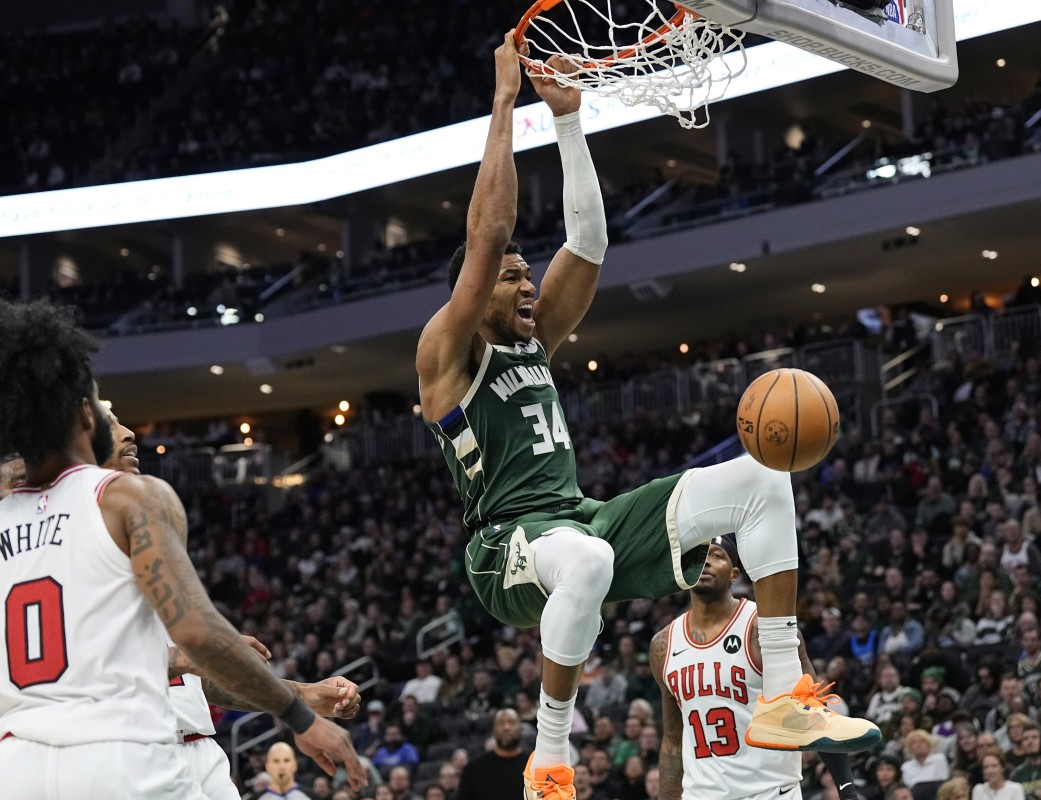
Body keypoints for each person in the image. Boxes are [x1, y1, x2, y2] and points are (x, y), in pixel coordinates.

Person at [416, 31, 877, 800]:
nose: (527, 283)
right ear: (472, 294)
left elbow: (589, 242)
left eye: (529, 275)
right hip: (504, 551)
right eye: (511, 279)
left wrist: (568, 122)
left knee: (764, 482)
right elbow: (487, 234)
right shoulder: (447, 355)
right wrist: (503, 102)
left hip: (580, 521)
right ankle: (552, 758)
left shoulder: (535, 342)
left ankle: (786, 699)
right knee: (588, 561)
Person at [0, 299, 365, 798]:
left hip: (16, 764)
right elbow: (196, 633)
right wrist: (298, 715)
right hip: (119, 757)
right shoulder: (130, 499)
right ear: (82, 413)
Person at [93, 407, 363, 800]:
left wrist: (302, 696)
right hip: (135, 755)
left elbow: (194, 678)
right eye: (111, 424)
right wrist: (188, 656)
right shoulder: (74, 542)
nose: (130, 432)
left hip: (202, 752)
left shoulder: (141, 526)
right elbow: (89, 658)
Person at [652, 540, 873, 800]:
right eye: (698, 556)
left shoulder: (766, 628)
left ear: (734, 575)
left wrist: (847, 790)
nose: (706, 561)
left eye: (717, 555)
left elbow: (814, 710)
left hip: (770, 792)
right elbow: (672, 742)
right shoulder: (664, 645)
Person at [457, 708, 528, 800]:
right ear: (493, 730)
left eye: (511, 722)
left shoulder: (534, 766)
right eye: (501, 723)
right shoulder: (473, 770)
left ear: (521, 728)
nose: (506, 727)